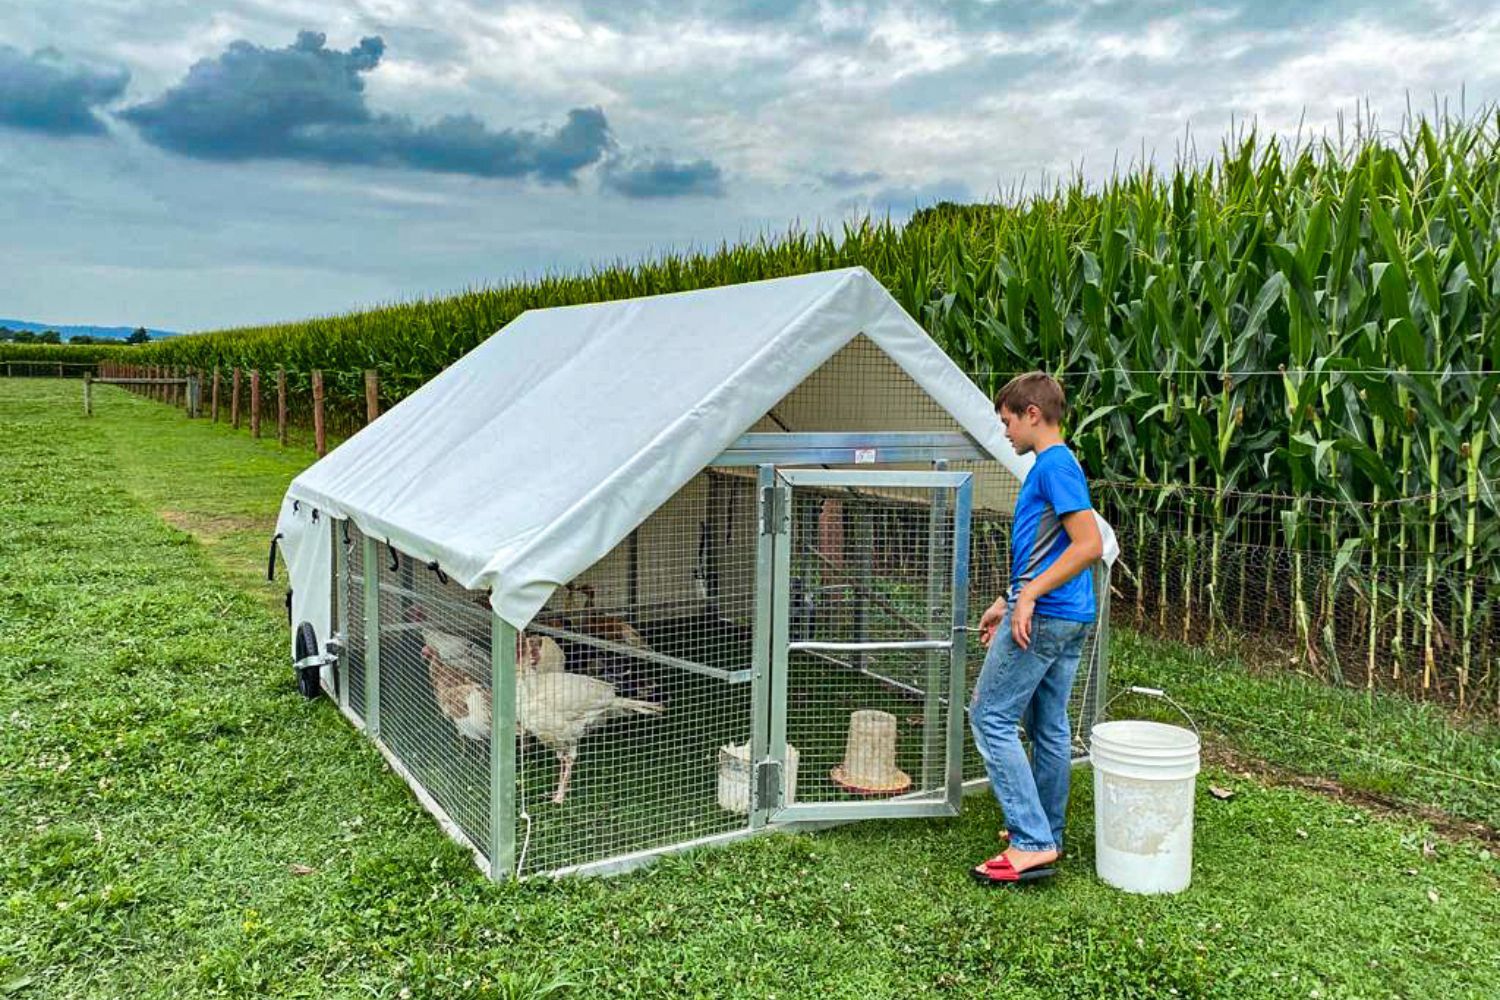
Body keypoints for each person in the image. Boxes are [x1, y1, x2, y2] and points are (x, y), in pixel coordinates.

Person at [970, 371, 1103, 886]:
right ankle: (1047, 832)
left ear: (1032, 414)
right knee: (1048, 726)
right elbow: (1046, 547)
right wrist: (1008, 598)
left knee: (989, 717)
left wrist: (1028, 596)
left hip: (1047, 616)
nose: (1004, 432)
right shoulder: (1052, 468)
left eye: (1007, 421)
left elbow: (1087, 543)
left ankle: (1031, 839)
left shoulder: (1055, 466)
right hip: (1063, 615)